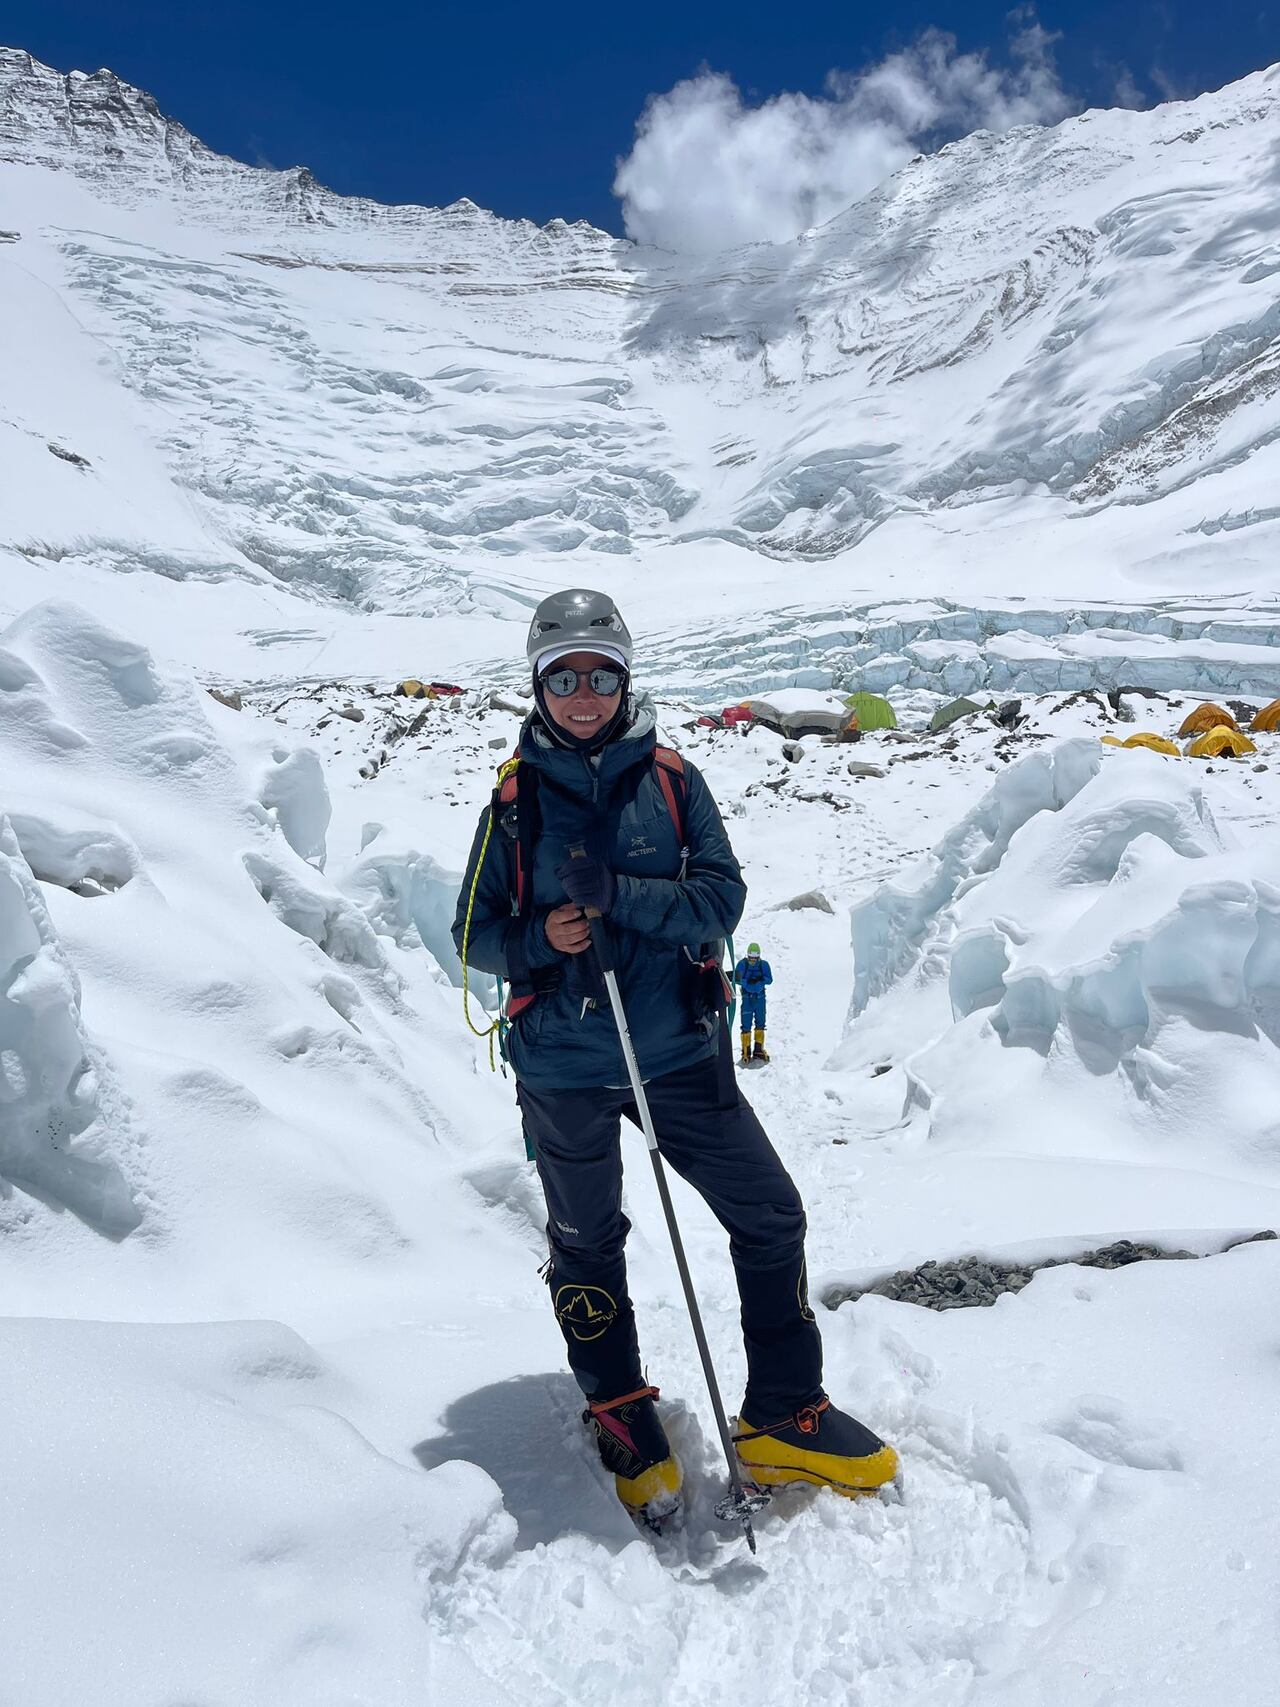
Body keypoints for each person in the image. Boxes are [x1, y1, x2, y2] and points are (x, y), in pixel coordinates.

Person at [452, 589, 898, 1526]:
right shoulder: (513, 801)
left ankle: (785, 1410)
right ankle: (619, 1407)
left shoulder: (671, 781)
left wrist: (619, 896)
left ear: (624, 679)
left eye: (599, 675)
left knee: (770, 1214)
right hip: (564, 1065)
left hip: (680, 1057)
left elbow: (720, 902)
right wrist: (546, 935)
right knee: (587, 1240)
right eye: (563, 676)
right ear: (539, 686)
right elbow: (474, 937)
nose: (583, 693)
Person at [734, 942, 773, 1066]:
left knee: (760, 1023)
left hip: (760, 998)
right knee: (746, 1024)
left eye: (755, 959)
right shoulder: (742, 965)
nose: (752, 961)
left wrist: (760, 980)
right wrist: (746, 981)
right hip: (747, 998)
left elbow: (770, 979)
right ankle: (746, 1051)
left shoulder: (764, 965)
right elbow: (736, 978)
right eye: (750, 958)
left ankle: (758, 1049)